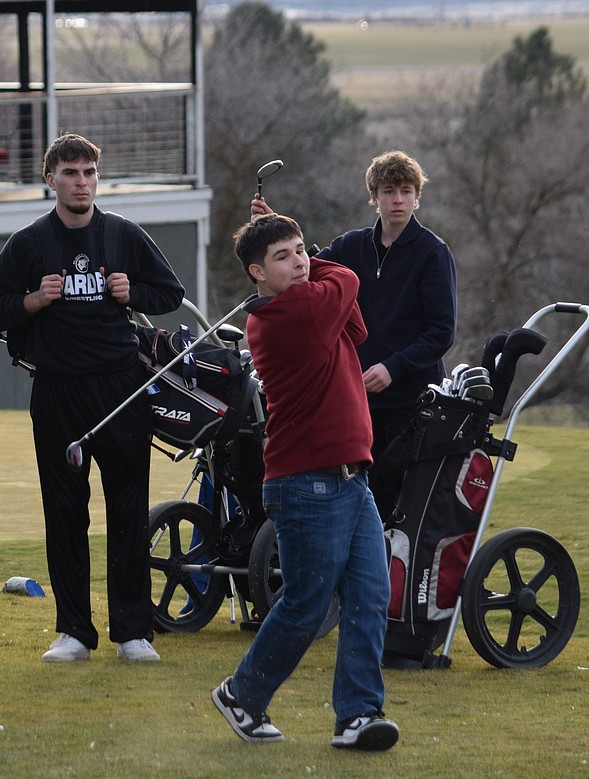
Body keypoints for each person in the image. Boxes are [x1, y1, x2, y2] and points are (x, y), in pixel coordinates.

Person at [0, 134, 184, 663]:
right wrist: (33, 299)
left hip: (121, 388)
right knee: (65, 512)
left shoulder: (121, 234)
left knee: (129, 511)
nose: (82, 182)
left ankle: (133, 633)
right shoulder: (28, 243)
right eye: (70, 173)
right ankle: (73, 631)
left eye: (89, 172)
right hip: (57, 390)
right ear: (51, 179)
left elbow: (169, 293)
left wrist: (130, 294)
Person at [210, 213, 398, 750]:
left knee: (368, 596)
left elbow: (356, 326)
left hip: (350, 480)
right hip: (307, 482)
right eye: (283, 257)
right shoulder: (287, 313)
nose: (298, 262)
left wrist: (303, 254)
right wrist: (319, 259)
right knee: (306, 604)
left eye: (299, 251)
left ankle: (358, 716)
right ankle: (242, 694)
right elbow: (349, 281)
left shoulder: (310, 304)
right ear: (256, 274)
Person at [253, 150, 456, 523]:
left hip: (412, 402)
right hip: (356, 404)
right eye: (389, 190)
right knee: (364, 507)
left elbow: (442, 331)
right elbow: (304, 270)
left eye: (406, 191)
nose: (398, 200)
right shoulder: (351, 246)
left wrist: (393, 367)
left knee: (402, 511)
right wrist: (273, 232)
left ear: (417, 196)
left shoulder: (432, 252)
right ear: (374, 196)